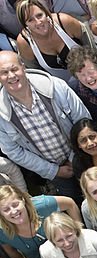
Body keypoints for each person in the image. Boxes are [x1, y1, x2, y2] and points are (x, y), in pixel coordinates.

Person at [0, 52, 89, 199]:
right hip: (56, 173)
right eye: (4, 73)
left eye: (14, 69)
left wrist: (74, 158)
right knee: (74, 203)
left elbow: (83, 121)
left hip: (83, 155)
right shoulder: (1, 112)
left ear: (23, 67)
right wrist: (53, 171)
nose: (11, 76)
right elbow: (13, 151)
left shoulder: (54, 86)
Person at [0, 184, 82, 258]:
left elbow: (70, 203)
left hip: (77, 255)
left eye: (15, 204)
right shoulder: (2, 232)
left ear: (23, 200)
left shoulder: (43, 205)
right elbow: (12, 252)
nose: (13, 211)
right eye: (6, 210)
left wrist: (80, 232)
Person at [13, 0, 93, 84]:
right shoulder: (24, 42)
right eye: (30, 20)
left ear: (46, 13)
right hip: (62, 89)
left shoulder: (65, 22)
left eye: (39, 15)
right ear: (25, 24)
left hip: (90, 78)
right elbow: (35, 75)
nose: (38, 22)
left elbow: (93, 50)